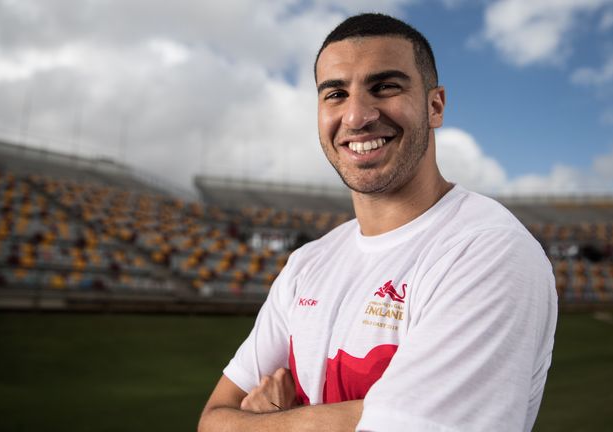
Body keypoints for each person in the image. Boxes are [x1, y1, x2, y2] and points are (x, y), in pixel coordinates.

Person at [198, 13, 557, 432]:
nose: (356, 116)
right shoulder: (307, 264)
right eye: (335, 94)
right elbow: (212, 419)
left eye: (384, 87)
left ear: (434, 105)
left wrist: (271, 422)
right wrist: (363, 416)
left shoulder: (488, 249)